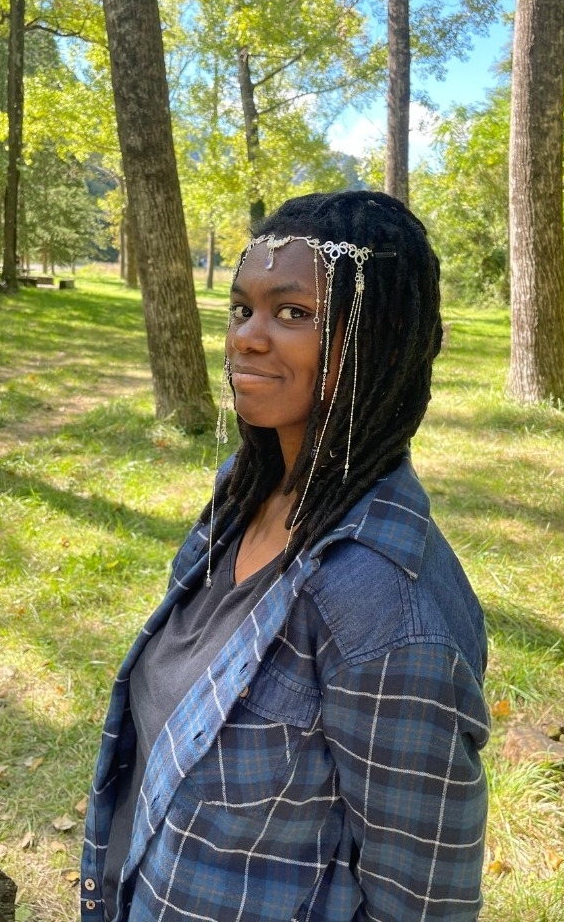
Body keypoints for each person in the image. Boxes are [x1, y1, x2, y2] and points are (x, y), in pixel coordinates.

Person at [81, 189, 489, 922]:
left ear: (381, 337)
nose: (247, 337)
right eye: (242, 309)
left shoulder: (383, 613)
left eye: (294, 312)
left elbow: (424, 903)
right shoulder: (242, 494)